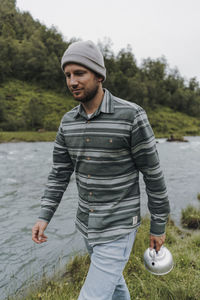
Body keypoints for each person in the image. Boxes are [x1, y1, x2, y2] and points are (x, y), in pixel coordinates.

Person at [32, 40, 170, 300]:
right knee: (115, 287)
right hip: (86, 226)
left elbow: (153, 174)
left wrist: (159, 226)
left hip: (118, 228)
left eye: (80, 73)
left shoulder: (131, 116)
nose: (72, 81)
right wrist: (44, 216)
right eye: (68, 75)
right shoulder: (67, 122)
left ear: (98, 75)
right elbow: (59, 174)